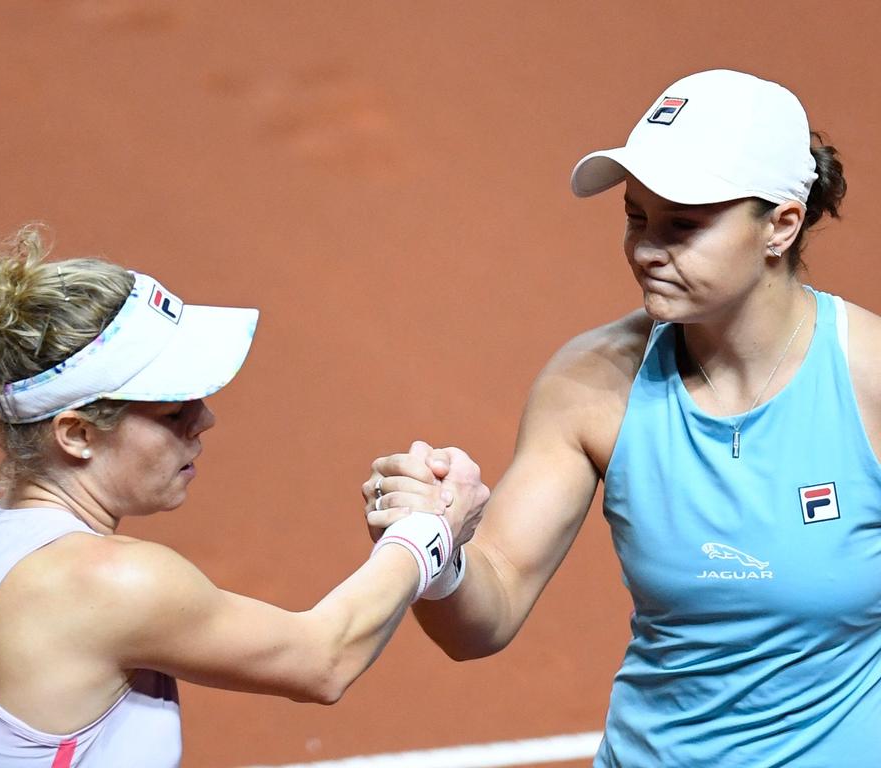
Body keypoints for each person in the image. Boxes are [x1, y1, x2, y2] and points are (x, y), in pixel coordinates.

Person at [366, 69, 880, 766]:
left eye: (684, 226)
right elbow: (487, 613)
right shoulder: (589, 383)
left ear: (781, 227)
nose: (646, 249)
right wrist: (437, 547)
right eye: (636, 217)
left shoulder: (868, 380)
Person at [0, 228, 490, 768]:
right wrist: (430, 529)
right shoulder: (111, 581)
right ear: (76, 434)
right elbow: (324, 659)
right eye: (173, 410)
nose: (204, 421)